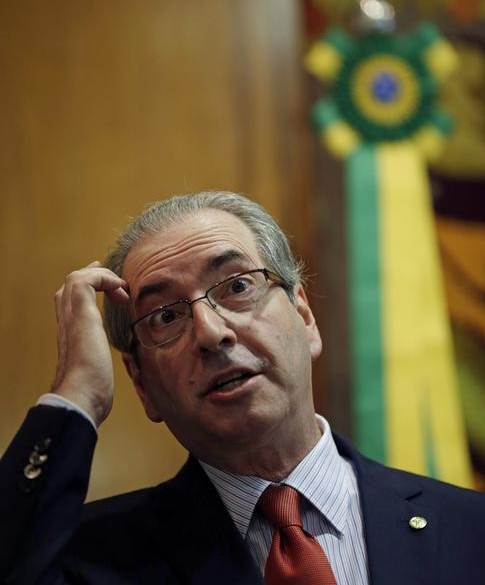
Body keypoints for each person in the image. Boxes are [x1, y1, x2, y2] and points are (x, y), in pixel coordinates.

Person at [1, 190, 484, 585]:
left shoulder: (469, 530)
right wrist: (76, 395)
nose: (211, 333)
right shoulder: (88, 558)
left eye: (237, 286)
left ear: (304, 315)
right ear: (141, 383)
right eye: (166, 316)